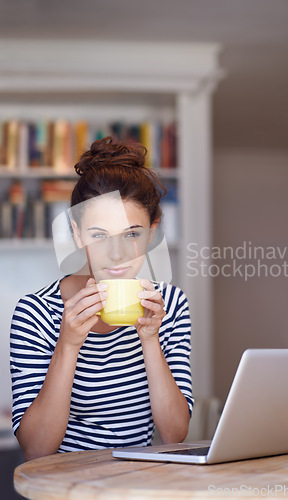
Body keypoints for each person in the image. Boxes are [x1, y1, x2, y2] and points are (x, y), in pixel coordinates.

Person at [10, 137, 193, 461]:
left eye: (132, 234)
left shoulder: (170, 304)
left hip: (136, 483)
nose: (118, 254)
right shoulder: (35, 312)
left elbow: (175, 434)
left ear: (152, 232)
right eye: (99, 236)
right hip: (63, 487)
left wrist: (151, 339)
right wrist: (67, 344)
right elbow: (36, 449)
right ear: (77, 234)